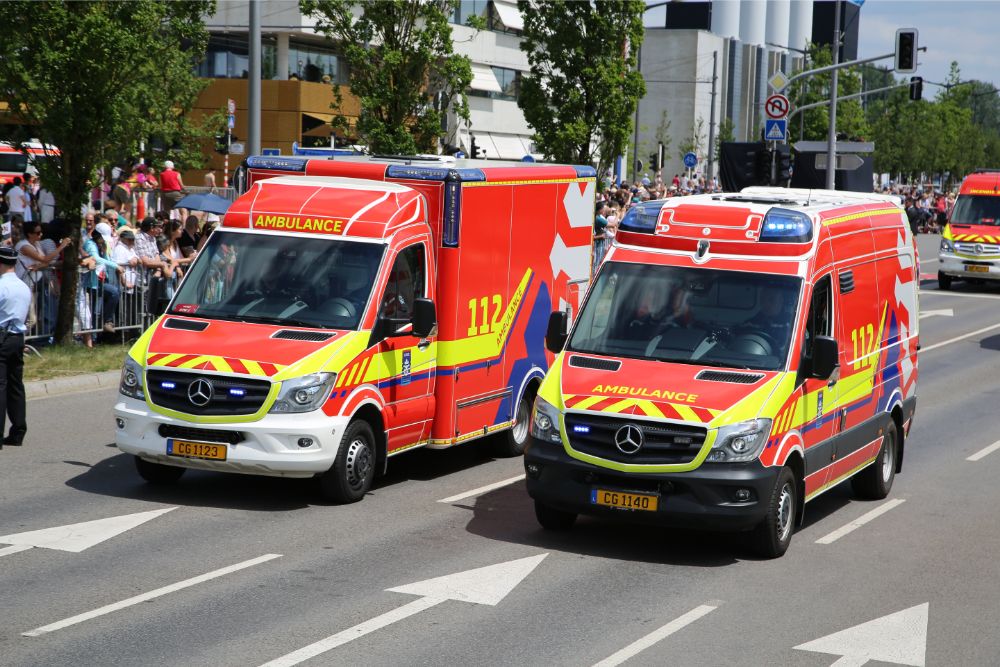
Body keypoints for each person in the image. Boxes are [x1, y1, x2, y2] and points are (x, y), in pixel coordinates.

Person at [0, 246, 31, 449]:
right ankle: (18, 431)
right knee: (16, 386)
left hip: (2, 337)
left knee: (1, 386)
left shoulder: (1, 286)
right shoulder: (23, 286)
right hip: (17, 338)